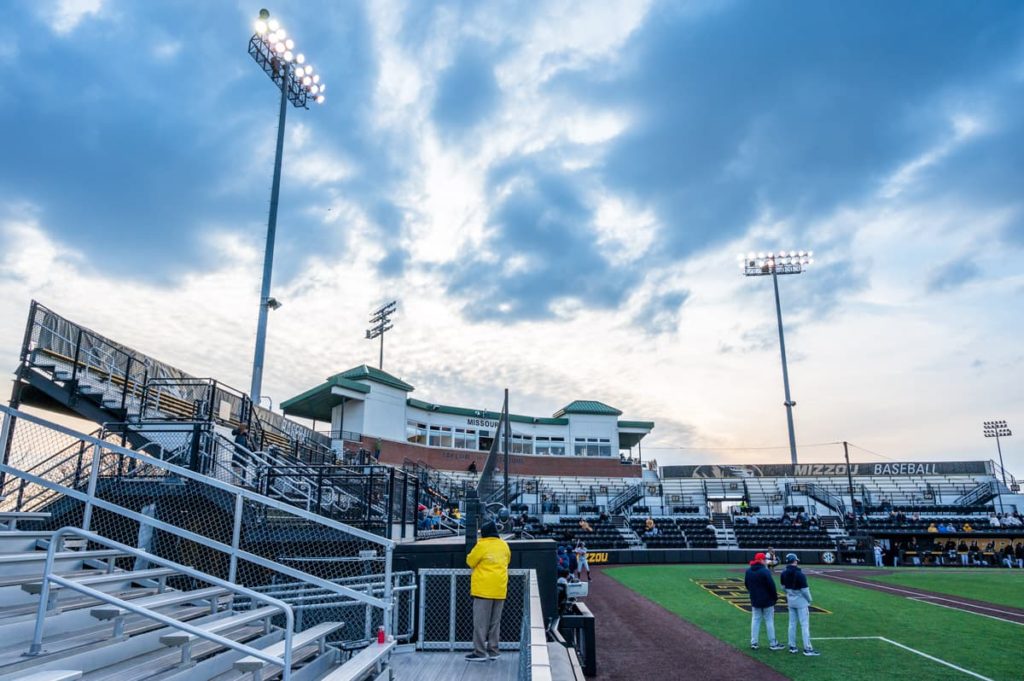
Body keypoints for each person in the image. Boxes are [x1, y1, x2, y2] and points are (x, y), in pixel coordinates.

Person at [465, 520, 511, 662]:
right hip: (500, 589)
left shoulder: (482, 545)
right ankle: (494, 650)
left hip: (483, 590)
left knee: (480, 623)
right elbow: (508, 560)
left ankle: (479, 652)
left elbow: (470, 561)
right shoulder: (504, 545)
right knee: (495, 623)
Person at [780, 553, 820, 656]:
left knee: (792, 624)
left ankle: (792, 646)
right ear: (794, 561)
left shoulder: (783, 573)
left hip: (790, 600)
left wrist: (790, 594)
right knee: (804, 625)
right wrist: (809, 600)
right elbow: (805, 590)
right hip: (801, 601)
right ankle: (807, 648)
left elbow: (783, 587)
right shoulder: (799, 574)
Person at [745, 552, 784, 651]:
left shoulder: (748, 571)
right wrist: (775, 598)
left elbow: (747, 585)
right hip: (767, 600)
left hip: (755, 599)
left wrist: (753, 593)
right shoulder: (765, 571)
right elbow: (772, 586)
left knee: (755, 620)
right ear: (762, 560)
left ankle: (754, 642)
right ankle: (773, 643)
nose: (766, 561)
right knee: (769, 621)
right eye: (765, 559)